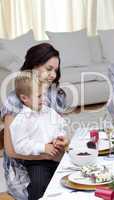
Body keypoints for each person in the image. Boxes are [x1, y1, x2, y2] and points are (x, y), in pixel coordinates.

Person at [0, 43, 67, 200]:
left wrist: (61, 140)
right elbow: (11, 150)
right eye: (49, 69)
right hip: (26, 163)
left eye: (55, 71)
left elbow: (59, 126)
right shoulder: (14, 99)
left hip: (51, 155)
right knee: (43, 185)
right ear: (34, 66)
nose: (53, 75)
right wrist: (46, 153)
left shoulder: (56, 94)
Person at [10, 70, 68, 199]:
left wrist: (60, 137)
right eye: (39, 96)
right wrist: (43, 147)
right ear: (24, 98)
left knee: (64, 179)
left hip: (56, 157)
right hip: (37, 161)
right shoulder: (21, 120)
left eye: (44, 95)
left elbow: (62, 124)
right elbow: (20, 145)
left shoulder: (48, 111)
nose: (44, 99)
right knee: (39, 183)